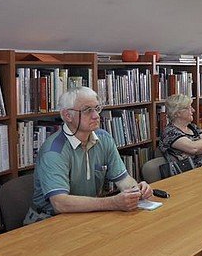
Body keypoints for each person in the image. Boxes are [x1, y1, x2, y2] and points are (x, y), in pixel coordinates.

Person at [25, 86, 153, 223]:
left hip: (88, 214)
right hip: (48, 220)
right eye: (87, 110)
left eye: (97, 108)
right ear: (67, 115)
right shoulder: (54, 151)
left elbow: (123, 180)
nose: (96, 116)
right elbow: (60, 203)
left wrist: (136, 191)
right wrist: (113, 202)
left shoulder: (104, 138)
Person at [159, 94, 202, 174]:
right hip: (188, 174)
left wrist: (194, 150)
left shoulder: (192, 127)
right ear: (178, 113)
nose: (193, 110)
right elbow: (193, 148)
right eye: (189, 108)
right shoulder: (169, 132)